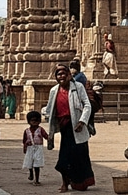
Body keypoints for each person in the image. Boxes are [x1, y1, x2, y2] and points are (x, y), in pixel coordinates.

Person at [46, 62, 95, 191]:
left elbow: (87, 105)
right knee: (64, 158)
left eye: (63, 73)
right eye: (58, 74)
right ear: (55, 77)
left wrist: (82, 121)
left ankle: (80, 182)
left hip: (77, 127)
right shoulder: (54, 91)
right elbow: (50, 108)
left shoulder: (78, 87)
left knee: (80, 156)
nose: (61, 76)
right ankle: (64, 182)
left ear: (69, 75)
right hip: (65, 128)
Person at [22, 109, 48, 186]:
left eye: (37, 121)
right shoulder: (26, 131)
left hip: (38, 148)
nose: (35, 122)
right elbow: (24, 140)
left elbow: (46, 136)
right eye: (32, 120)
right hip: (30, 148)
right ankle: (31, 173)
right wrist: (25, 147)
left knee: (37, 164)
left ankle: (37, 180)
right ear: (29, 121)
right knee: (29, 162)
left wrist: (50, 139)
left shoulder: (40, 129)